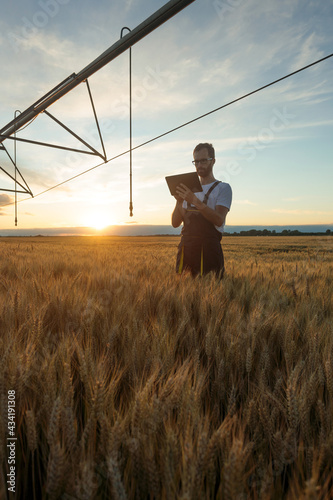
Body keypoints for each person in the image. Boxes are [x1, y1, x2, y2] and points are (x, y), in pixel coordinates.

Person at [171, 143, 232, 277]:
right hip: (186, 249)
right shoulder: (187, 189)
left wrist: (195, 201)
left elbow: (218, 219)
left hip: (209, 249)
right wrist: (179, 201)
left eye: (203, 161)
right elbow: (175, 223)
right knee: (183, 293)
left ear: (213, 161)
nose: (199, 165)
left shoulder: (223, 188)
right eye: (196, 161)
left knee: (211, 293)